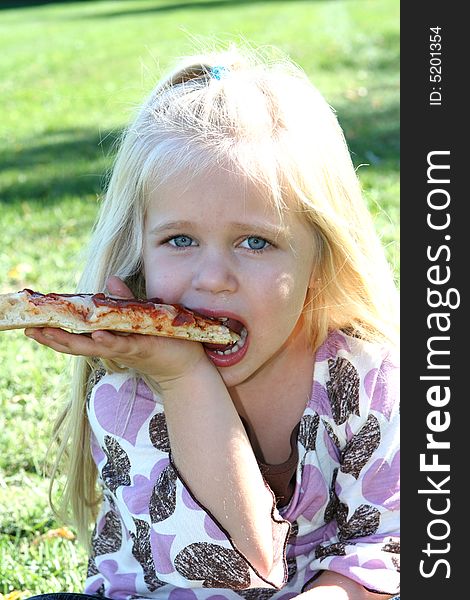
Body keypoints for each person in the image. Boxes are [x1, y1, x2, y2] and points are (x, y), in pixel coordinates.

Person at [25, 44, 400, 600]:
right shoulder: (129, 393)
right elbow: (233, 576)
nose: (212, 277)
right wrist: (183, 379)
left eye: (255, 242)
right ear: (140, 252)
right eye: (180, 240)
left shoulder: (369, 379)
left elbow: (388, 550)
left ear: (318, 260)